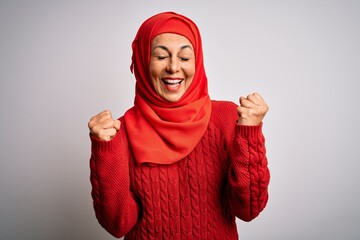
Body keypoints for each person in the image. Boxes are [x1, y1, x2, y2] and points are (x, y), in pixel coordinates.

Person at [88, 11, 270, 239]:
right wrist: (104, 150)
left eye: (184, 58)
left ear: (198, 61)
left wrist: (250, 133)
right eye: (161, 57)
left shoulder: (226, 117)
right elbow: (118, 225)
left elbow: (248, 208)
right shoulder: (119, 132)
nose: (174, 67)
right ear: (144, 61)